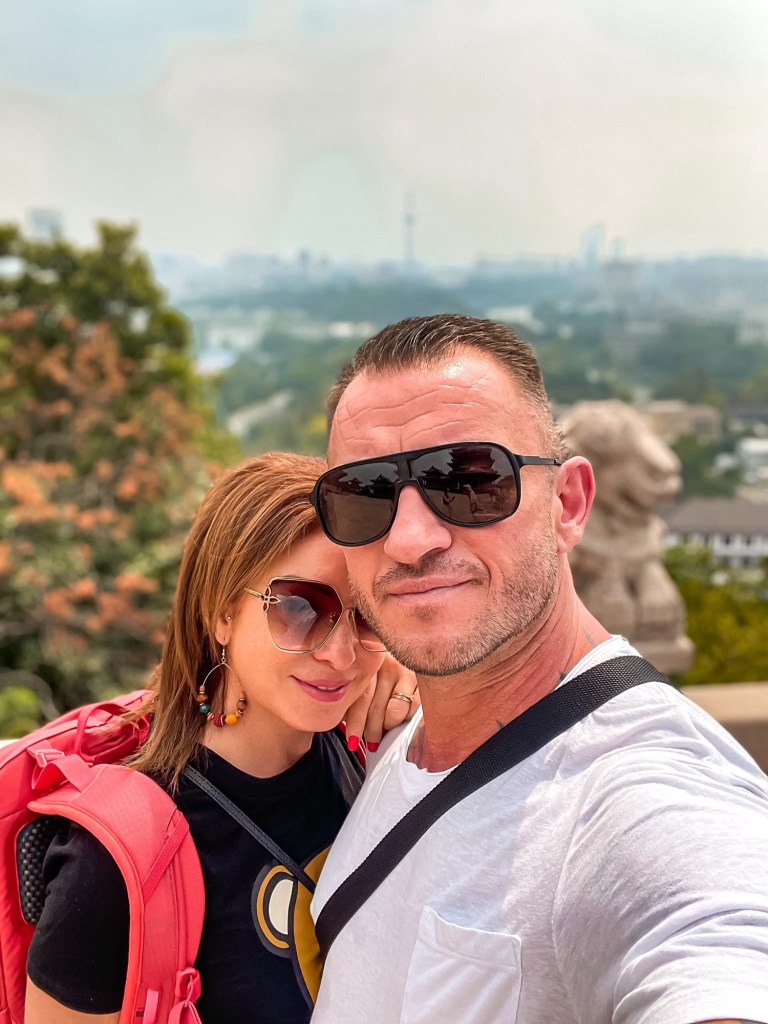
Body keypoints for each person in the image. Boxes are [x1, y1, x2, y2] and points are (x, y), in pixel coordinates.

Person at [309, 314, 768, 1024]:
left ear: (568, 505)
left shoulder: (639, 797)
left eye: (469, 481)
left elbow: (717, 940)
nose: (410, 540)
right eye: (364, 495)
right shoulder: (394, 735)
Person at [24, 451, 417, 1024]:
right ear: (221, 612)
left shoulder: (367, 748)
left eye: (368, 616)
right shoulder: (114, 865)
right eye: (300, 608)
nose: (340, 654)